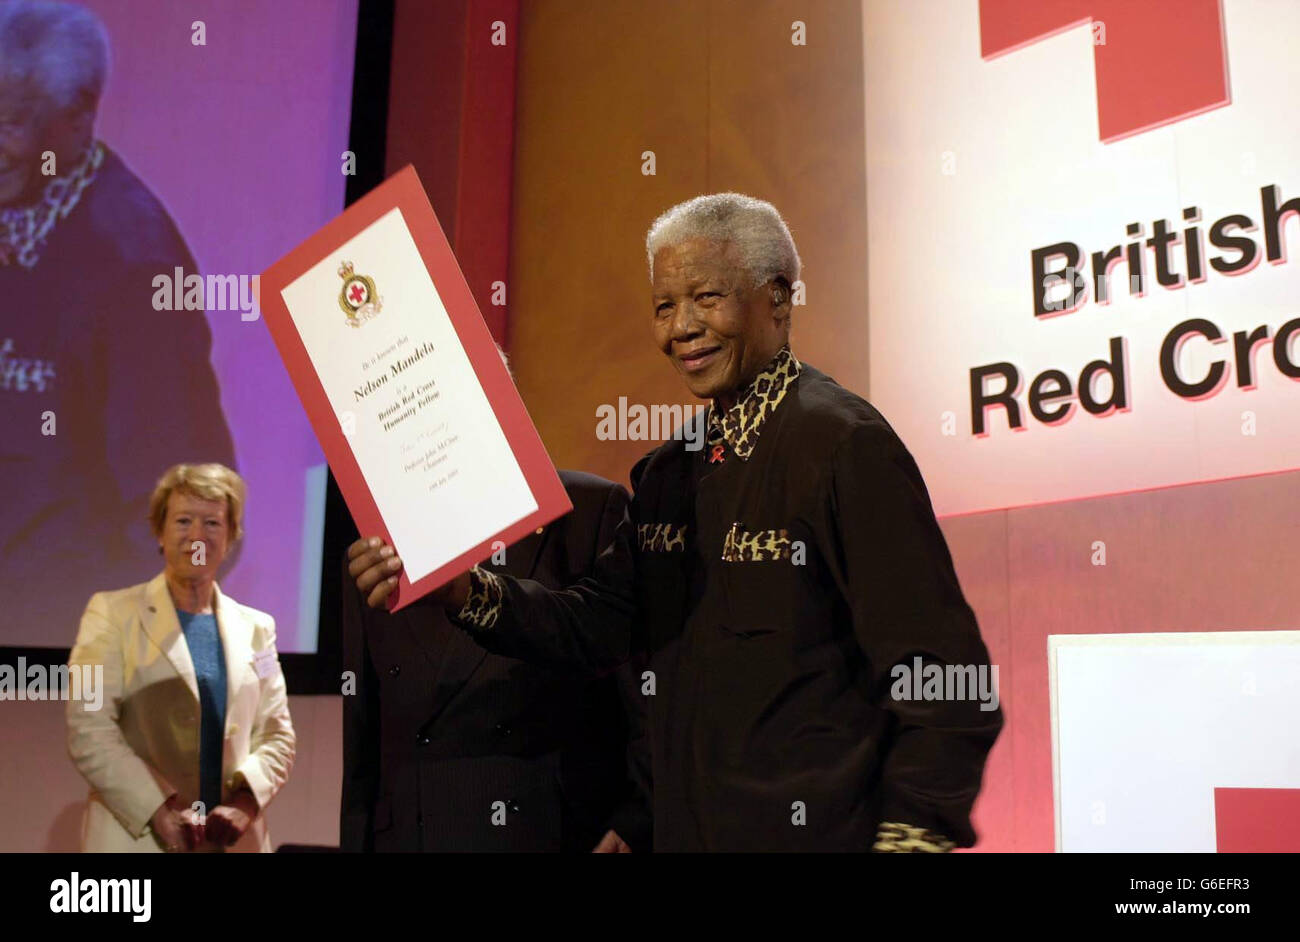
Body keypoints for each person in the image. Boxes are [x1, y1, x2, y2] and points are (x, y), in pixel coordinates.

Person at [352, 193, 1002, 852]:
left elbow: (945, 676)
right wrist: (468, 593)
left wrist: (912, 837)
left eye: (707, 298)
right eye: (664, 306)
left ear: (778, 298)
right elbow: (597, 625)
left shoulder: (843, 445)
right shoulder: (667, 475)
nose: (681, 327)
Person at [0, 1, 236, 644]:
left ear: (77, 122)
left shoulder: (137, 263)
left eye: (12, 122)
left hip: (58, 655)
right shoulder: (15, 200)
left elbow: (188, 509)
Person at [341, 468, 650, 853]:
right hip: (410, 835)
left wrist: (635, 819)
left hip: (546, 833)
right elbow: (363, 734)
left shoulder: (588, 507)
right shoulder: (379, 541)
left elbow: (641, 693)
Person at [66, 463, 295, 852]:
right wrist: (160, 812)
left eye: (212, 523)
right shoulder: (107, 614)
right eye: (183, 520)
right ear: (159, 531)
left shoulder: (258, 628)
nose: (197, 536)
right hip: (139, 837)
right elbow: (88, 728)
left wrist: (245, 803)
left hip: (231, 841)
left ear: (232, 535)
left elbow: (277, 734)